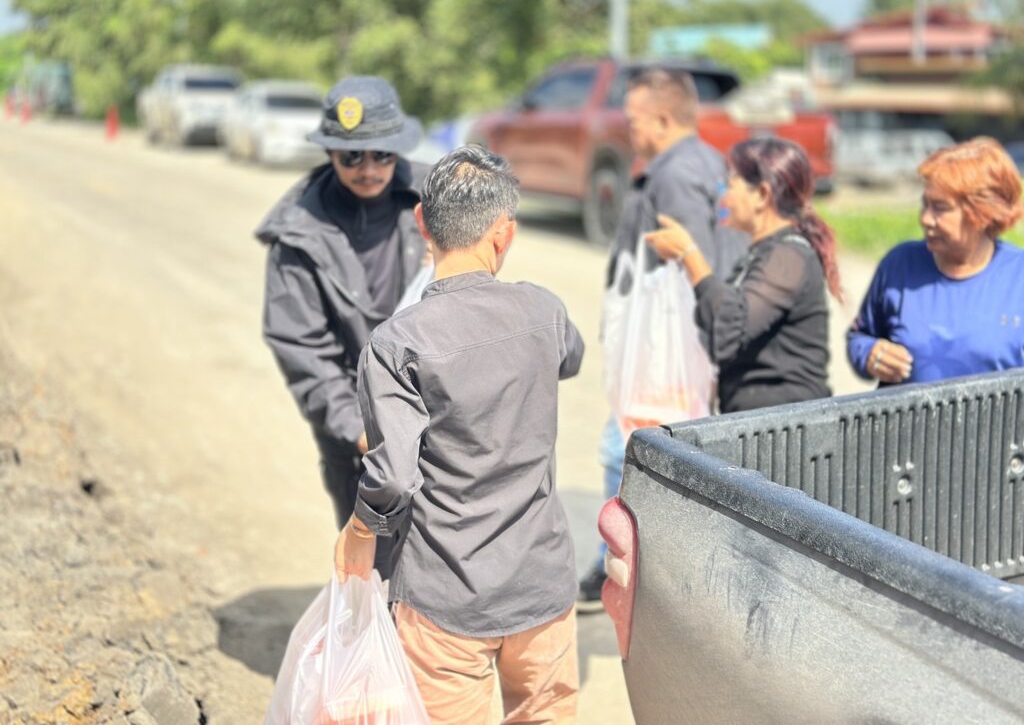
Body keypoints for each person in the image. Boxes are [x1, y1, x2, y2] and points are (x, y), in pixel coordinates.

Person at [334, 146, 585, 725]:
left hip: (446, 596)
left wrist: (359, 530)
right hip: (542, 586)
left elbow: (394, 475)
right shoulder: (543, 309)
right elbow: (568, 358)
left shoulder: (397, 343)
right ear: (505, 233)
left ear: (422, 223)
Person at [578, 67, 748, 607]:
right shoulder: (704, 162)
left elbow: (694, 268)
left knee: (623, 449)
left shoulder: (676, 175)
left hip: (666, 351)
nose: (628, 129)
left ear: (663, 118)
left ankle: (623, 565)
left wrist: (688, 350)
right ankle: (631, 564)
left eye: (634, 119)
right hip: (673, 347)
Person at [255, 75, 426, 577]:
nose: (368, 169)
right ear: (330, 153)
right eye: (352, 157)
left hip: (431, 415)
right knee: (372, 566)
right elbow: (302, 347)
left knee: (440, 572)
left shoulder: (435, 200)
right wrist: (358, 429)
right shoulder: (297, 233)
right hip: (355, 433)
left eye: (381, 154)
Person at [646, 136, 842, 413]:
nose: (723, 198)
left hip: (790, 427)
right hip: (759, 423)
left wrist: (689, 254)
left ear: (762, 194)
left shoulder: (789, 257)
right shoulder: (761, 254)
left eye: (730, 185)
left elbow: (729, 328)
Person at [847, 137, 1024, 384]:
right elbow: (859, 337)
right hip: (906, 412)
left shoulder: (1017, 277)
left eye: (940, 208)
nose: (925, 219)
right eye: (925, 205)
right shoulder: (900, 265)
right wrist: (870, 354)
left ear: (983, 213)